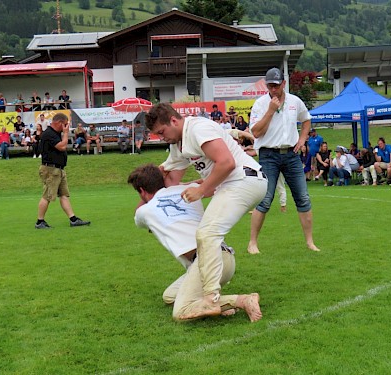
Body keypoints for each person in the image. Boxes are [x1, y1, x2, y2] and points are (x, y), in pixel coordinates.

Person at [145, 102, 267, 320]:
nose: (162, 137)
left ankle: (211, 298)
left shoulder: (196, 128)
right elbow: (170, 178)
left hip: (245, 180)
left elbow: (227, 162)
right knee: (204, 236)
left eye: (162, 132)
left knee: (207, 234)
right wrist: (149, 197)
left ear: (174, 120)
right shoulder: (178, 144)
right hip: (234, 184)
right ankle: (228, 302)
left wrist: (201, 189)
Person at [128, 163, 262, 322]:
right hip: (224, 258)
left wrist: (149, 190)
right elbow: (206, 185)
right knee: (170, 296)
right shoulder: (189, 189)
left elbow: (138, 213)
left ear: (142, 191)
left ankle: (242, 300)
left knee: (181, 312)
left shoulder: (145, 211)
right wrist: (177, 185)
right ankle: (221, 305)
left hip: (207, 263)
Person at [248, 67, 319, 253]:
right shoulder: (261, 104)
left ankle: (310, 242)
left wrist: (303, 139)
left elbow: (306, 120)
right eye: (270, 86)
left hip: (291, 154)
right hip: (268, 155)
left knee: (303, 198)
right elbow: (255, 132)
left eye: (276, 85)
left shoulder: (295, 101)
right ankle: (252, 243)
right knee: (265, 199)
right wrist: (270, 111)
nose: (273, 89)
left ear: (284, 84)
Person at [35, 113, 90, 229]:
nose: (66, 127)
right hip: (51, 169)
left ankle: (73, 219)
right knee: (47, 196)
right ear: (59, 123)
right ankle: (40, 222)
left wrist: (63, 133)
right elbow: (62, 146)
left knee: (64, 195)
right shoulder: (49, 134)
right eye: (65, 124)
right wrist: (65, 133)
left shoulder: (55, 133)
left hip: (58, 169)